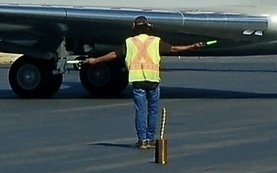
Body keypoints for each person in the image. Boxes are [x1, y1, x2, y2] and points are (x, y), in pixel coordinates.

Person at [86, 16, 207, 148]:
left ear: (134, 27)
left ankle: (142, 140)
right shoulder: (155, 41)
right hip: (153, 80)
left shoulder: (129, 42)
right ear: (148, 26)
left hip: (137, 80)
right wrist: (192, 46)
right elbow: (174, 49)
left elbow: (114, 54)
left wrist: (95, 60)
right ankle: (150, 138)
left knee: (140, 111)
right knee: (152, 110)